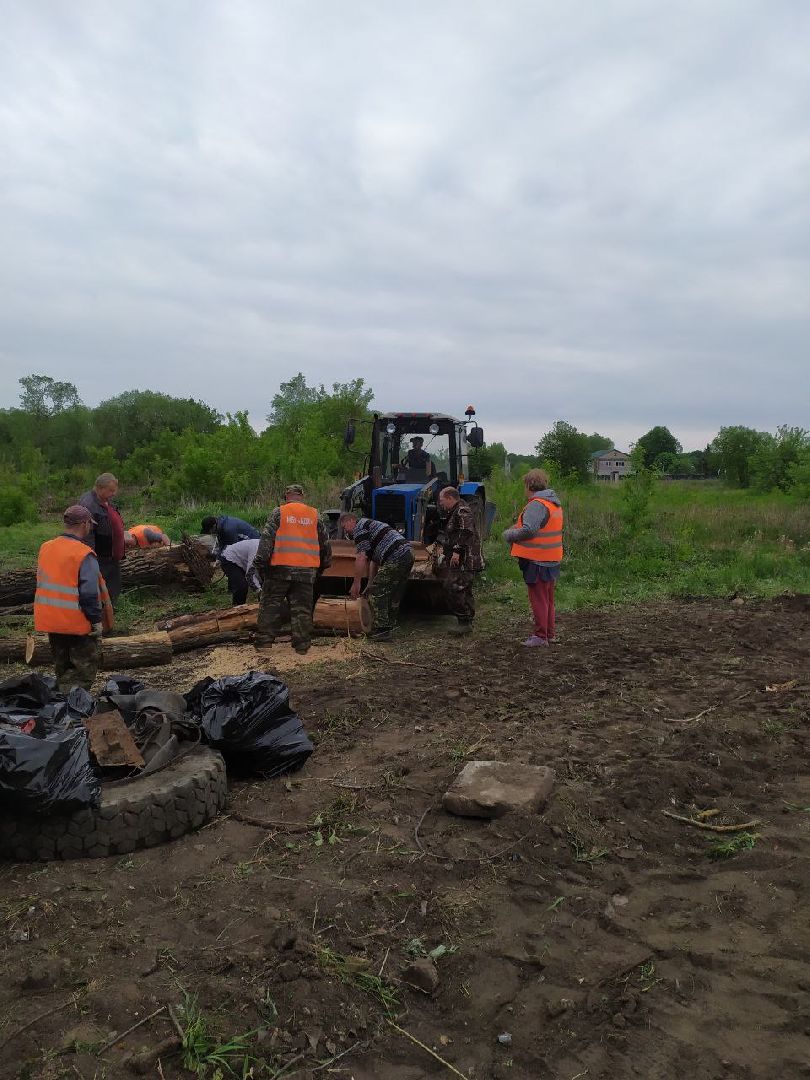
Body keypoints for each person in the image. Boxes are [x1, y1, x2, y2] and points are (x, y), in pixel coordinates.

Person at [33, 505, 114, 691]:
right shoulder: (83, 554)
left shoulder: (46, 548)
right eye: (90, 524)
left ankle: (61, 707)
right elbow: (89, 594)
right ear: (85, 523)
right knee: (82, 673)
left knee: (62, 669)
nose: (90, 528)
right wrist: (96, 620)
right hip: (77, 624)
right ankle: (72, 711)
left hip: (51, 621)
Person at [252, 485, 331, 654]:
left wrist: (259, 563)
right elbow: (325, 543)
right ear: (302, 496)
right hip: (306, 570)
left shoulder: (279, 512)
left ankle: (264, 643)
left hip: (279, 569)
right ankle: (302, 646)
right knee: (302, 609)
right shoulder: (315, 515)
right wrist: (324, 565)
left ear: (286, 496)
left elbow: (266, 540)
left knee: (270, 605)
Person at [502, 469, 563, 647]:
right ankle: (549, 634)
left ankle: (540, 636)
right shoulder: (552, 503)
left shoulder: (537, 504)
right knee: (548, 599)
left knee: (539, 599)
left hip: (537, 561)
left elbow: (529, 530)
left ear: (529, 484)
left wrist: (509, 534)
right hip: (550, 558)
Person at [339, 513, 415, 642]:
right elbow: (374, 560)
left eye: (345, 527)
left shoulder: (359, 528)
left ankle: (382, 631)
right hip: (407, 554)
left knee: (378, 591)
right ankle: (388, 627)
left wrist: (356, 584)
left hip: (396, 556)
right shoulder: (369, 526)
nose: (346, 531)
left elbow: (361, 558)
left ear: (351, 520)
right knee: (392, 592)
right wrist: (369, 583)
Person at [437, 487, 484, 635]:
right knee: (465, 588)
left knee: (453, 586)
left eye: (442, 500)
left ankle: (464, 621)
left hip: (466, 559)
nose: (440, 503)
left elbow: (466, 532)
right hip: (463, 559)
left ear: (450, 498)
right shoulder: (455, 511)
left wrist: (456, 551)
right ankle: (467, 620)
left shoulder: (462, 511)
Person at [79, 472, 126, 607]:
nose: (114, 493)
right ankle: (103, 615)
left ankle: (111, 610)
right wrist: (91, 557)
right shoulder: (88, 505)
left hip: (110, 556)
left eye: (114, 490)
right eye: (111, 490)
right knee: (101, 588)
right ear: (100, 488)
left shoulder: (103, 500)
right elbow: (87, 535)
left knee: (112, 585)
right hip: (100, 556)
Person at [220, 537, 261, 606]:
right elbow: (250, 574)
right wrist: (259, 591)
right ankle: (238, 609)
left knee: (263, 583)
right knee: (241, 586)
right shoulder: (257, 550)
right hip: (230, 558)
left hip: (243, 560)